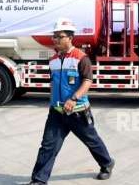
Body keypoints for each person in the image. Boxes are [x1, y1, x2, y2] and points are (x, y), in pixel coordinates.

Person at [29, 18, 115, 185]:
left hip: (78, 112)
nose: (55, 39)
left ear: (70, 37)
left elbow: (87, 81)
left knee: (92, 141)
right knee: (48, 146)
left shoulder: (81, 58)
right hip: (57, 113)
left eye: (59, 36)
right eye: (54, 36)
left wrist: (74, 98)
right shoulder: (53, 60)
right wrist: (52, 102)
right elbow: (53, 83)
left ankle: (107, 163)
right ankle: (38, 180)